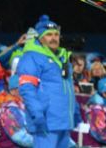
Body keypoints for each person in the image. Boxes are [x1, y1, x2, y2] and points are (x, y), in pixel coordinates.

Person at [17, 15, 82, 148]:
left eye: (56, 34)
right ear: (40, 38)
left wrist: (74, 111)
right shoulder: (31, 57)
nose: (53, 38)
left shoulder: (63, 57)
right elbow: (27, 88)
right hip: (46, 121)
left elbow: (68, 87)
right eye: (49, 35)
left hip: (64, 121)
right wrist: (37, 113)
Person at [0, 74, 34, 148]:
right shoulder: (7, 111)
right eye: (25, 88)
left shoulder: (23, 106)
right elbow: (19, 137)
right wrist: (41, 142)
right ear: (14, 91)